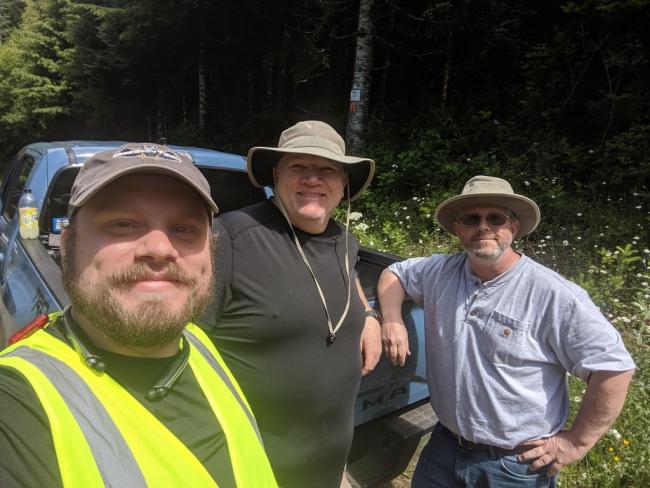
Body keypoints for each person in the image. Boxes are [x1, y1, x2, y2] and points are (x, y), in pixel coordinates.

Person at [0, 143, 277, 488]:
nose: (160, 249)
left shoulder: (198, 344)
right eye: (123, 224)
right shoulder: (17, 403)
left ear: (211, 255)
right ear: (68, 246)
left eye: (183, 229)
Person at [378, 175, 635, 487]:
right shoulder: (438, 271)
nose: (483, 227)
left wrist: (576, 443)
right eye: (472, 219)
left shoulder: (552, 294)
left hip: (514, 466)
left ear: (513, 227)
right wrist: (391, 318)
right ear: (458, 229)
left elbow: (613, 368)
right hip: (444, 447)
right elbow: (395, 273)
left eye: (495, 218)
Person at [201, 121, 382, 488]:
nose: (313, 179)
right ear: (276, 175)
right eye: (298, 167)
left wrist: (371, 316)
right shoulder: (229, 238)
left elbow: (348, 279)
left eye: (327, 169)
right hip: (251, 470)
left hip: (327, 467)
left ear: (343, 181)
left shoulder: (343, 239)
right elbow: (182, 347)